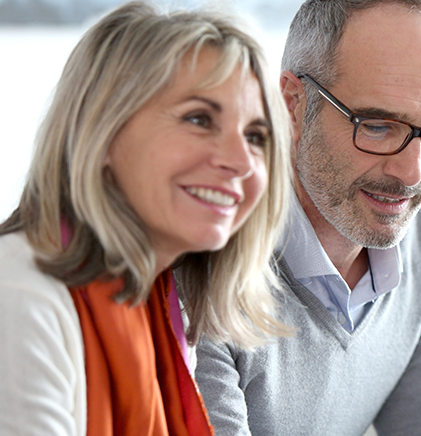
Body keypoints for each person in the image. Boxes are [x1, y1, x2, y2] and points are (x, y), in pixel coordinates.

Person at [194, 0, 421, 435]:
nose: (411, 173)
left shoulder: (418, 245)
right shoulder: (205, 259)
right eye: (377, 125)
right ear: (293, 104)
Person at [0, 1, 291, 435]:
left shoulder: (164, 307)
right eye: (199, 118)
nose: (241, 161)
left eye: (255, 136)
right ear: (99, 132)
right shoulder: (20, 295)